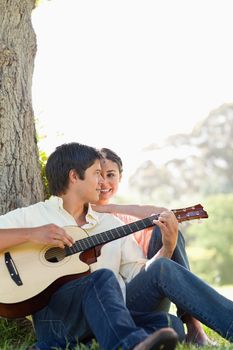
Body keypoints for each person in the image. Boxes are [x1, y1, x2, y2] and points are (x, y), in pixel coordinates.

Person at [1, 143, 233, 349]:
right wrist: (32, 234)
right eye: (96, 174)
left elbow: (139, 274)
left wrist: (167, 247)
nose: (102, 182)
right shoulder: (34, 216)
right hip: (59, 322)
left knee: (168, 317)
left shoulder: (109, 223)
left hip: (109, 314)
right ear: (74, 176)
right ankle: (128, 344)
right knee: (101, 278)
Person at [92, 147, 218, 346]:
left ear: (120, 177)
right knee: (171, 325)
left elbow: (164, 214)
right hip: (113, 300)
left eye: (111, 175)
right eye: (99, 175)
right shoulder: (83, 216)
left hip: (146, 288)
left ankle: (194, 326)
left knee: (166, 228)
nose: (104, 182)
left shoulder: (125, 215)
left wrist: (109, 208)